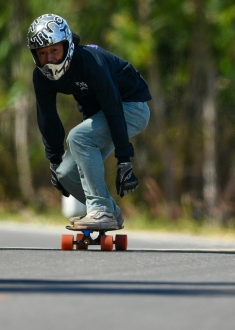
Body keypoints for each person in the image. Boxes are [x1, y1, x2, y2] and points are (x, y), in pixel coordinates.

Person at [27, 13, 151, 230]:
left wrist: (124, 160)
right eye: (42, 53)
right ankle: (110, 214)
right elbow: (47, 117)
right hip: (106, 114)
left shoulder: (90, 62)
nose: (50, 59)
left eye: (54, 50)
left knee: (78, 136)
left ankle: (100, 211)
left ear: (67, 46)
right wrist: (54, 160)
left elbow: (113, 107)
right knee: (66, 173)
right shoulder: (41, 77)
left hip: (132, 107)